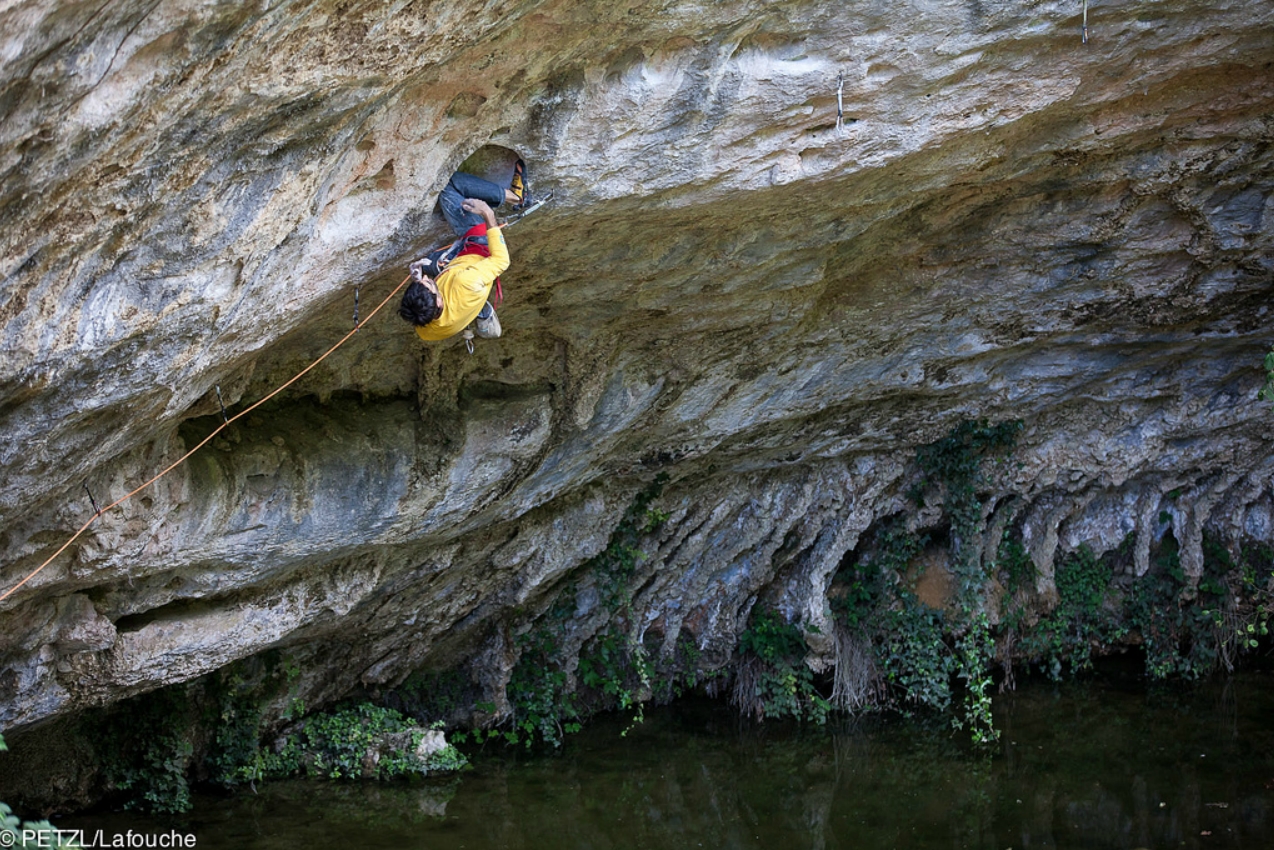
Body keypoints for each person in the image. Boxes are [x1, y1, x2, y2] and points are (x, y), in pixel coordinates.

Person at [399, 164, 528, 342]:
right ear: (437, 301)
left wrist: (418, 279)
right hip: (478, 251)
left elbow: (427, 296)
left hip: (456, 273)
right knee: (447, 185)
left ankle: (479, 309)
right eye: (427, 284)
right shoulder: (466, 282)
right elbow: (501, 260)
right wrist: (487, 213)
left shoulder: (426, 331)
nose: (425, 279)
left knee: (426, 263)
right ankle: (516, 198)